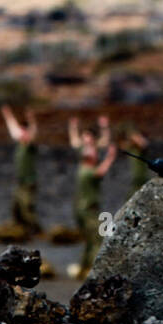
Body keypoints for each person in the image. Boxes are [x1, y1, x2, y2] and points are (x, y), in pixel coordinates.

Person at [69, 117, 117, 280]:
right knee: (97, 237)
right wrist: (110, 157)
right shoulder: (87, 170)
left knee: (90, 239)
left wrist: (105, 127)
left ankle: (84, 267)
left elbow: (103, 141)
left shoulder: (87, 162)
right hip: (87, 208)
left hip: (85, 207)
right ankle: (93, 270)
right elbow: (99, 172)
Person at [0, 105, 42, 242]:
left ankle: (35, 231)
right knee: (16, 207)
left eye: (24, 131)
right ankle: (20, 229)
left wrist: (31, 119)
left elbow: (33, 132)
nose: (21, 134)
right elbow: (13, 129)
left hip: (28, 182)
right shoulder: (21, 143)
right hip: (20, 182)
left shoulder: (29, 144)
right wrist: (8, 114)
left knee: (27, 208)